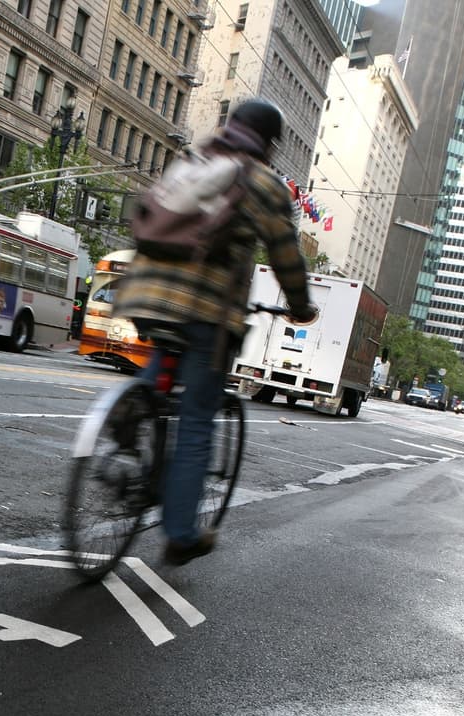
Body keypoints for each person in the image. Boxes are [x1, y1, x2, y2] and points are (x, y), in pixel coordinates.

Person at [113, 98, 317, 566]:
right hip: (204, 309)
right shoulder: (264, 183)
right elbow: (286, 254)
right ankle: (181, 533)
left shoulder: (193, 161)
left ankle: (131, 412)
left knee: (164, 354)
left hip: (143, 294)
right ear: (269, 141)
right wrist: (301, 306)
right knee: (197, 420)